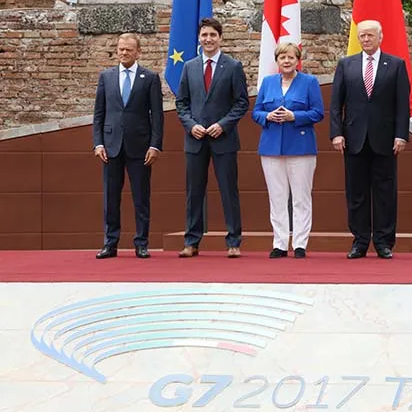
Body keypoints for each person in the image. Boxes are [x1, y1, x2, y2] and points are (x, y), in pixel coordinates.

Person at [329, 20, 410, 260]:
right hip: (353, 139)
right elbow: (336, 104)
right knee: (356, 193)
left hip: (385, 139)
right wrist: (336, 133)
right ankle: (360, 241)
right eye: (362, 35)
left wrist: (401, 134)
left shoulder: (395, 65)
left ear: (380, 37)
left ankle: (384, 242)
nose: (366, 39)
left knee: (385, 193)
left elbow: (402, 105)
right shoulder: (346, 65)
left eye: (370, 35)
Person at [175, 17, 249, 258]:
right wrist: (191, 125)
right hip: (195, 140)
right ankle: (191, 242)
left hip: (223, 140)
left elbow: (241, 102)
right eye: (204, 35)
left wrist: (223, 125)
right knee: (194, 192)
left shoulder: (233, 66)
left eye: (212, 35)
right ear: (199, 38)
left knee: (229, 191)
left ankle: (234, 242)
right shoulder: (189, 67)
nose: (208, 39)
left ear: (220, 38)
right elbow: (181, 103)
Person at [92, 33, 164, 259]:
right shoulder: (106, 77)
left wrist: (155, 145)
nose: (124, 53)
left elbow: (157, 115)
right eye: (121, 49)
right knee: (111, 197)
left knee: (141, 197)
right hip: (110, 147)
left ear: (138, 52)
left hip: (140, 147)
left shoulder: (149, 78)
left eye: (129, 49)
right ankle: (110, 243)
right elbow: (99, 113)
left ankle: (141, 243)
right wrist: (98, 143)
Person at [252, 42, 325, 259]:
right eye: (282, 57)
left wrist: (295, 116)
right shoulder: (268, 82)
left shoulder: (309, 82)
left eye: (291, 57)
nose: (286, 61)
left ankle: (300, 243)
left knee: (301, 197)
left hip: (301, 147)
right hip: (271, 146)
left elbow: (318, 112)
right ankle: (280, 243)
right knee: (277, 197)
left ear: (297, 60)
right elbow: (256, 112)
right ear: (277, 61)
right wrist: (267, 116)